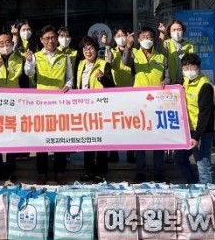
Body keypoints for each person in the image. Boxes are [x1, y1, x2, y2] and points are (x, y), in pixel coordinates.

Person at [24, 25, 73, 184]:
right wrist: (30, 61)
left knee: (60, 139)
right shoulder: (36, 56)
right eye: (47, 38)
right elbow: (29, 73)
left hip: (60, 104)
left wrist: (69, 85)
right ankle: (42, 172)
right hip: (42, 104)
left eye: (53, 38)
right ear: (41, 40)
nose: (50, 41)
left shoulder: (64, 56)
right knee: (42, 140)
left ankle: (61, 171)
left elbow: (70, 77)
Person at [121, 27, 170, 183]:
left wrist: (166, 81)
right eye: (143, 37)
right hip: (139, 102)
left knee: (159, 138)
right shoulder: (134, 54)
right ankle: (140, 170)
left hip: (158, 103)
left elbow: (168, 76)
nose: (146, 39)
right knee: (140, 138)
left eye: (149, 36)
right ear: (139, 40)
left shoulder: (161, 56)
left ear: (154, 39)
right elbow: (125, 62)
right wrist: (128, 46)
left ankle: (159, 171)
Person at [0, 33, 35, 181]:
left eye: (8, 42)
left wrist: (25, 103)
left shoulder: (20, 59)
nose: (5, 45)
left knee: (13, 137)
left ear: (12, 44)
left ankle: (11, 168)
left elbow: (25, 82)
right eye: (1, 43)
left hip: (15, 104)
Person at [76, 36, 114, 182]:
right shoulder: (79, 65)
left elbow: (112, 86)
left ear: (96, 49)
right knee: (88, 140)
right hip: (84, 108)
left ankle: (101, 171)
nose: (88, 51)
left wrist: (103, 78)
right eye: (85, 48)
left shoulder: (104, 64)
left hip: (100, 108)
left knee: (101, 140)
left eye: (91, 48)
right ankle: (88, 171)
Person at [173, 53, 215, 184]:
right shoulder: (186, 82)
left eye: (192, 67)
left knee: (203, 165)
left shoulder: (205, 85)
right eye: (185, 68)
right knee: (180, 158)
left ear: (198, 67)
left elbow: (205, 113)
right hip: (188, 129)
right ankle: (195, 185)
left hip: (201, 131)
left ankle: (207, 194)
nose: (189, 71)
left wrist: (197, 136)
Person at [102, 27, 135, 163]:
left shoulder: (135, 51)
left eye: (123, 34)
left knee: (131, 125)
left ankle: (131, 153)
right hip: (115, 92)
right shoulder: (112, 51)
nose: (121, 37)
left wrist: (129, 46)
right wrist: (107, 46)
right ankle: (113, 152)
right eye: (118, 35)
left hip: (131, 91)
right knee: (114, 124)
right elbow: (108, 63)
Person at [158, 20, 195, 85]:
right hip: (169, 82)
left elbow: (194, 63)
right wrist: (162, 34)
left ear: (183, 31)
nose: (177, 32)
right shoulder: (166, 43)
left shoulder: (189, 46)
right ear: (170, 32)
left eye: (179, 29)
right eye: (174, 30)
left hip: (185, 83)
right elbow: (159, 51)